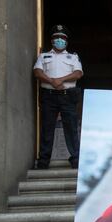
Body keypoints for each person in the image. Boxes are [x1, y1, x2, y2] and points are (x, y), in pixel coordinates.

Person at [33, 24, 83, 169]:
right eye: (56, 37)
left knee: (71, 128)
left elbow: (78, 73)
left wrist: (60, 80)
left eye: (62, 38)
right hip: (49, 96)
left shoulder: (73, 57)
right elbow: (37, 72)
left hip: (67, 96)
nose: (59, 40)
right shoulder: (43, 56)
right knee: (47, 128)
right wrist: (52, 82)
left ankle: (75, 158)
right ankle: (44, 160)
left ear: (66, 41)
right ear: (52, 40)